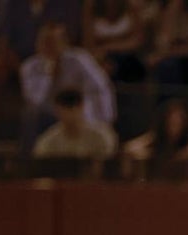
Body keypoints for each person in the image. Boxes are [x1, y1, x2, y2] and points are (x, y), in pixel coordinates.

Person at [20, 21, 116, 151]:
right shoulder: (29, 67)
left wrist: (104, 119)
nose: (49, 47)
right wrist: (49, 76)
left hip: (80, 113)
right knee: (31, 115)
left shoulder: (80, 60)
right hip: (49, 116)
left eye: (53, 42)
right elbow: (36, 101)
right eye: (44, 42)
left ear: (64, 43)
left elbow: (100, 88)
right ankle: (32, 159)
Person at [32, 87, 118, 158]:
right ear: (57, 111)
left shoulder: (100, 136)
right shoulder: (49, 141)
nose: (69, 115)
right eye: (64, 111)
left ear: (82, 107)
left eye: (72, 109)